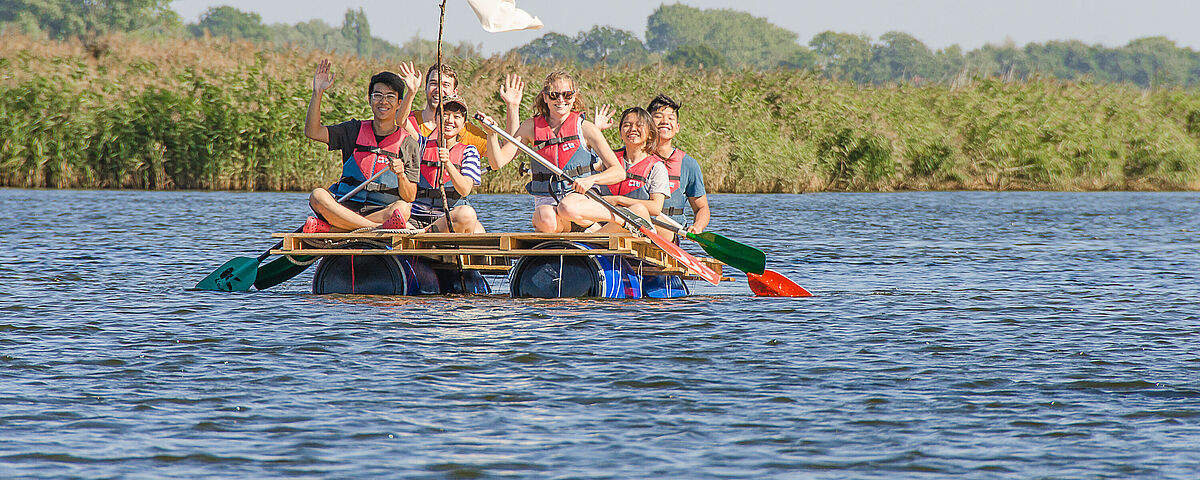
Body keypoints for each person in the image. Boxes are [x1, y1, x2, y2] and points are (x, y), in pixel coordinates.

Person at [485, 71, 631, 233]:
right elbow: (496, 163)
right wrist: (492, 134)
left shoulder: (586, 128)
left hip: (579, 199)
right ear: (545, 97)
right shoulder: (531, 127)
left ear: (574, 97)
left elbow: (618, 172)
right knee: (544, 218)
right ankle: (566, 238)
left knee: (568, 207)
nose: (561, 100)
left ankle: (621, 219)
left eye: (567, 95)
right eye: (554, 95)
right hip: (548, 199)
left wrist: (591, 180)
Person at [302, 59, 423, 232]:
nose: (383, 101)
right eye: (378, 95)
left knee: (403, 209)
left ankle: (335, 229)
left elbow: (409, 196)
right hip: (346, 207)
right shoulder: (353, 130)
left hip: (382, 212)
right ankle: (374, 228)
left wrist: (401, 174)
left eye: (390, 97)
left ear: (399, 103)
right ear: (370, 99)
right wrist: (317, 92)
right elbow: (313, 132)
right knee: (318, 196)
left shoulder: (408, 142)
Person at [406, 95, 487, 233]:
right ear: (436, 118)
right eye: (445, 115)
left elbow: (465, 190)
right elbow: (401, 120)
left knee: (468, 215)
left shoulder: (469, 151)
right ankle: (419, 232)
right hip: (417, 216)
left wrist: (448, 163)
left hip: (449, 218)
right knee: (398, 207)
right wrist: (412, 91)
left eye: (457, 117)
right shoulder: (422, 145)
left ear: (463, 123)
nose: (450, 121)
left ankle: (425, 234)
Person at [408, 64, 522, 160]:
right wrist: (410, 92)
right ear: (425, 87)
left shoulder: (466, 130)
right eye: (433, 83)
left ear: (455, 92)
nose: (438, 89)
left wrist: (512, 107)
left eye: (445, 85)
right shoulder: (408, 121)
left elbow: (506, 152)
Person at [648, 94, 711, 239]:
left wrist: (698, 226)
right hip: (638, 229)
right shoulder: (637, 156)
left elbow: (702, 208)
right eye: (658, 117)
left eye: (670, 118)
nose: (664, 122)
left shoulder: (688, 164)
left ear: (677, 128)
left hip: (670, 235)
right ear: (647, 123)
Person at [593, 106, 670, 223]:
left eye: (639, 125)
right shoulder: (609, 158)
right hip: (604, 221)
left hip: (637, 225)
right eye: (627, 125)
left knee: (638, 209)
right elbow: (586, 161)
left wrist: (618, 200)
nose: (633, 129)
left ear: (650, 134)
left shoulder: (657, 167)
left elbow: (655, 208)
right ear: (621, 134)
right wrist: (596, 131)